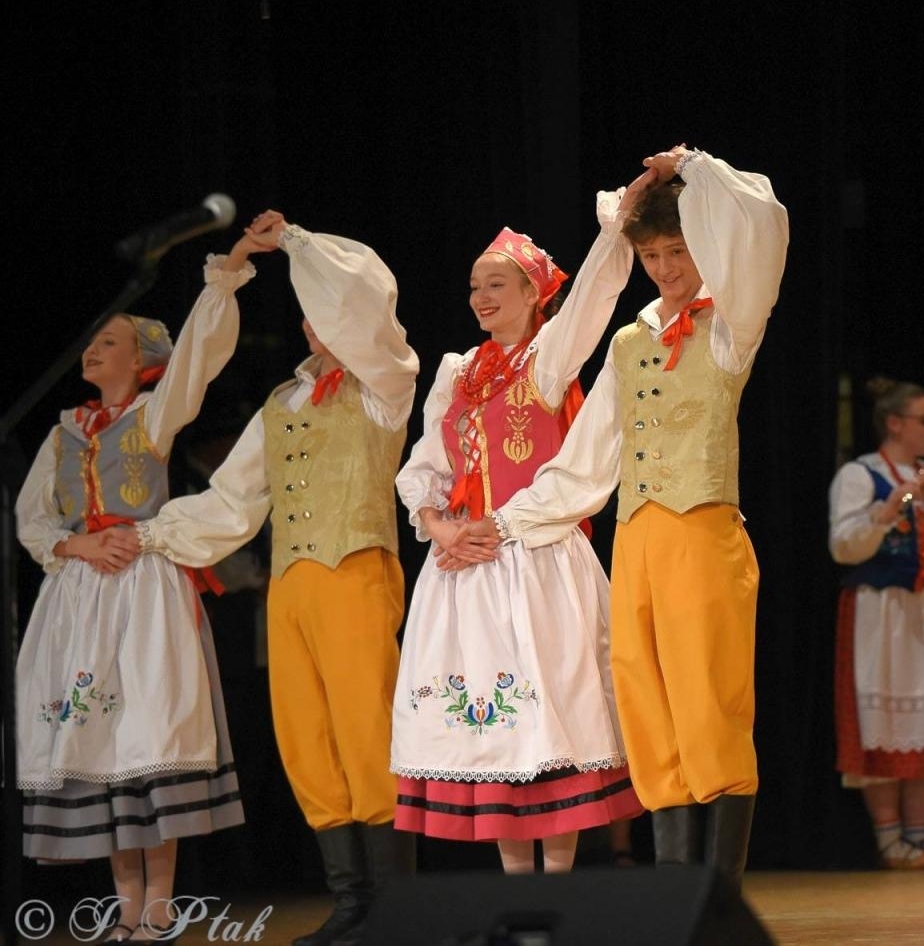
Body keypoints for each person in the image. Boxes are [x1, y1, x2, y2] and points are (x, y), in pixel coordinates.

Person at [476, 146, 788, 890]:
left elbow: (765, 224)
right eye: (650, 254)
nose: (664, 268)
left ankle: (720, 894)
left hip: (703, 534)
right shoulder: (629, 341)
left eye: (676, 251)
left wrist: (698, 166)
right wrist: (511, 521)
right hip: (637, 536)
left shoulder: (729, 325)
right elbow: (587, 458)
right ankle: (676, 890)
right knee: (646, 706)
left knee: (710, 704)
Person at [133, 211, 419, 946]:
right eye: (311, 320)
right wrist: (148, 537)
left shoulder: (386, 385)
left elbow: (363, 304)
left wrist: (292, 243)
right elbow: (233, 500)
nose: (319, 329)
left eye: (329, 318)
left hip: (355, 570)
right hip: (291, 585)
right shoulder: (281, 405)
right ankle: (351, 900)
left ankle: (395, 903)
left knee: (365, 733)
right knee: (307, 739)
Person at [389, 192, 645, 876]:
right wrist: (440, 526)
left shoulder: (548, 360)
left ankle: (557, 890)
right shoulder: (455, 372)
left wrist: (618, 230)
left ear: (534, 294)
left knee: (549, 721)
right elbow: (425, 468)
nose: (480, 297)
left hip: (537, 560)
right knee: (497, 735)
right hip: (465, 569)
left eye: (496, 284)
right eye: (474, 286)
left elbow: (594, 295)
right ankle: (516, 888)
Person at [16, 233, 259, 942]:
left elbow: (197, 359)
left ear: (140, 359)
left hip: (144, 589)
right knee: (99, 745)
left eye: (111, 340)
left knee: (149, 735)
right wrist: (76, 542)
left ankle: (158, 906)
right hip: (80, 592)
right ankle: (125, 909)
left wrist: (225, 277)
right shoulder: (62, 434)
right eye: (92, 341)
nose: (94, 349)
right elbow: (32, 518)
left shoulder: (151, 418)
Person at [827, 381, 924, 870]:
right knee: (886, 724)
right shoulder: (859, 476)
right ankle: (891, 841)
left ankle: (920, 839)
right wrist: (886, 511)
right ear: (895, 424)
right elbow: (843, 547)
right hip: (883, 611)